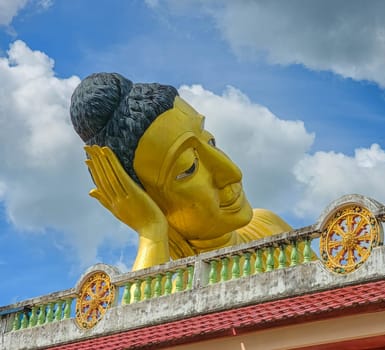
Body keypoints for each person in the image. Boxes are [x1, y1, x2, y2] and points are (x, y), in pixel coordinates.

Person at [70, 73, 310, 271]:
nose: (233, 173)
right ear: (138, 199)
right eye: (189, 168)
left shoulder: (267, 224)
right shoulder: (173, 282)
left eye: (211, 142)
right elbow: (141, 325)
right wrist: (151, 230)